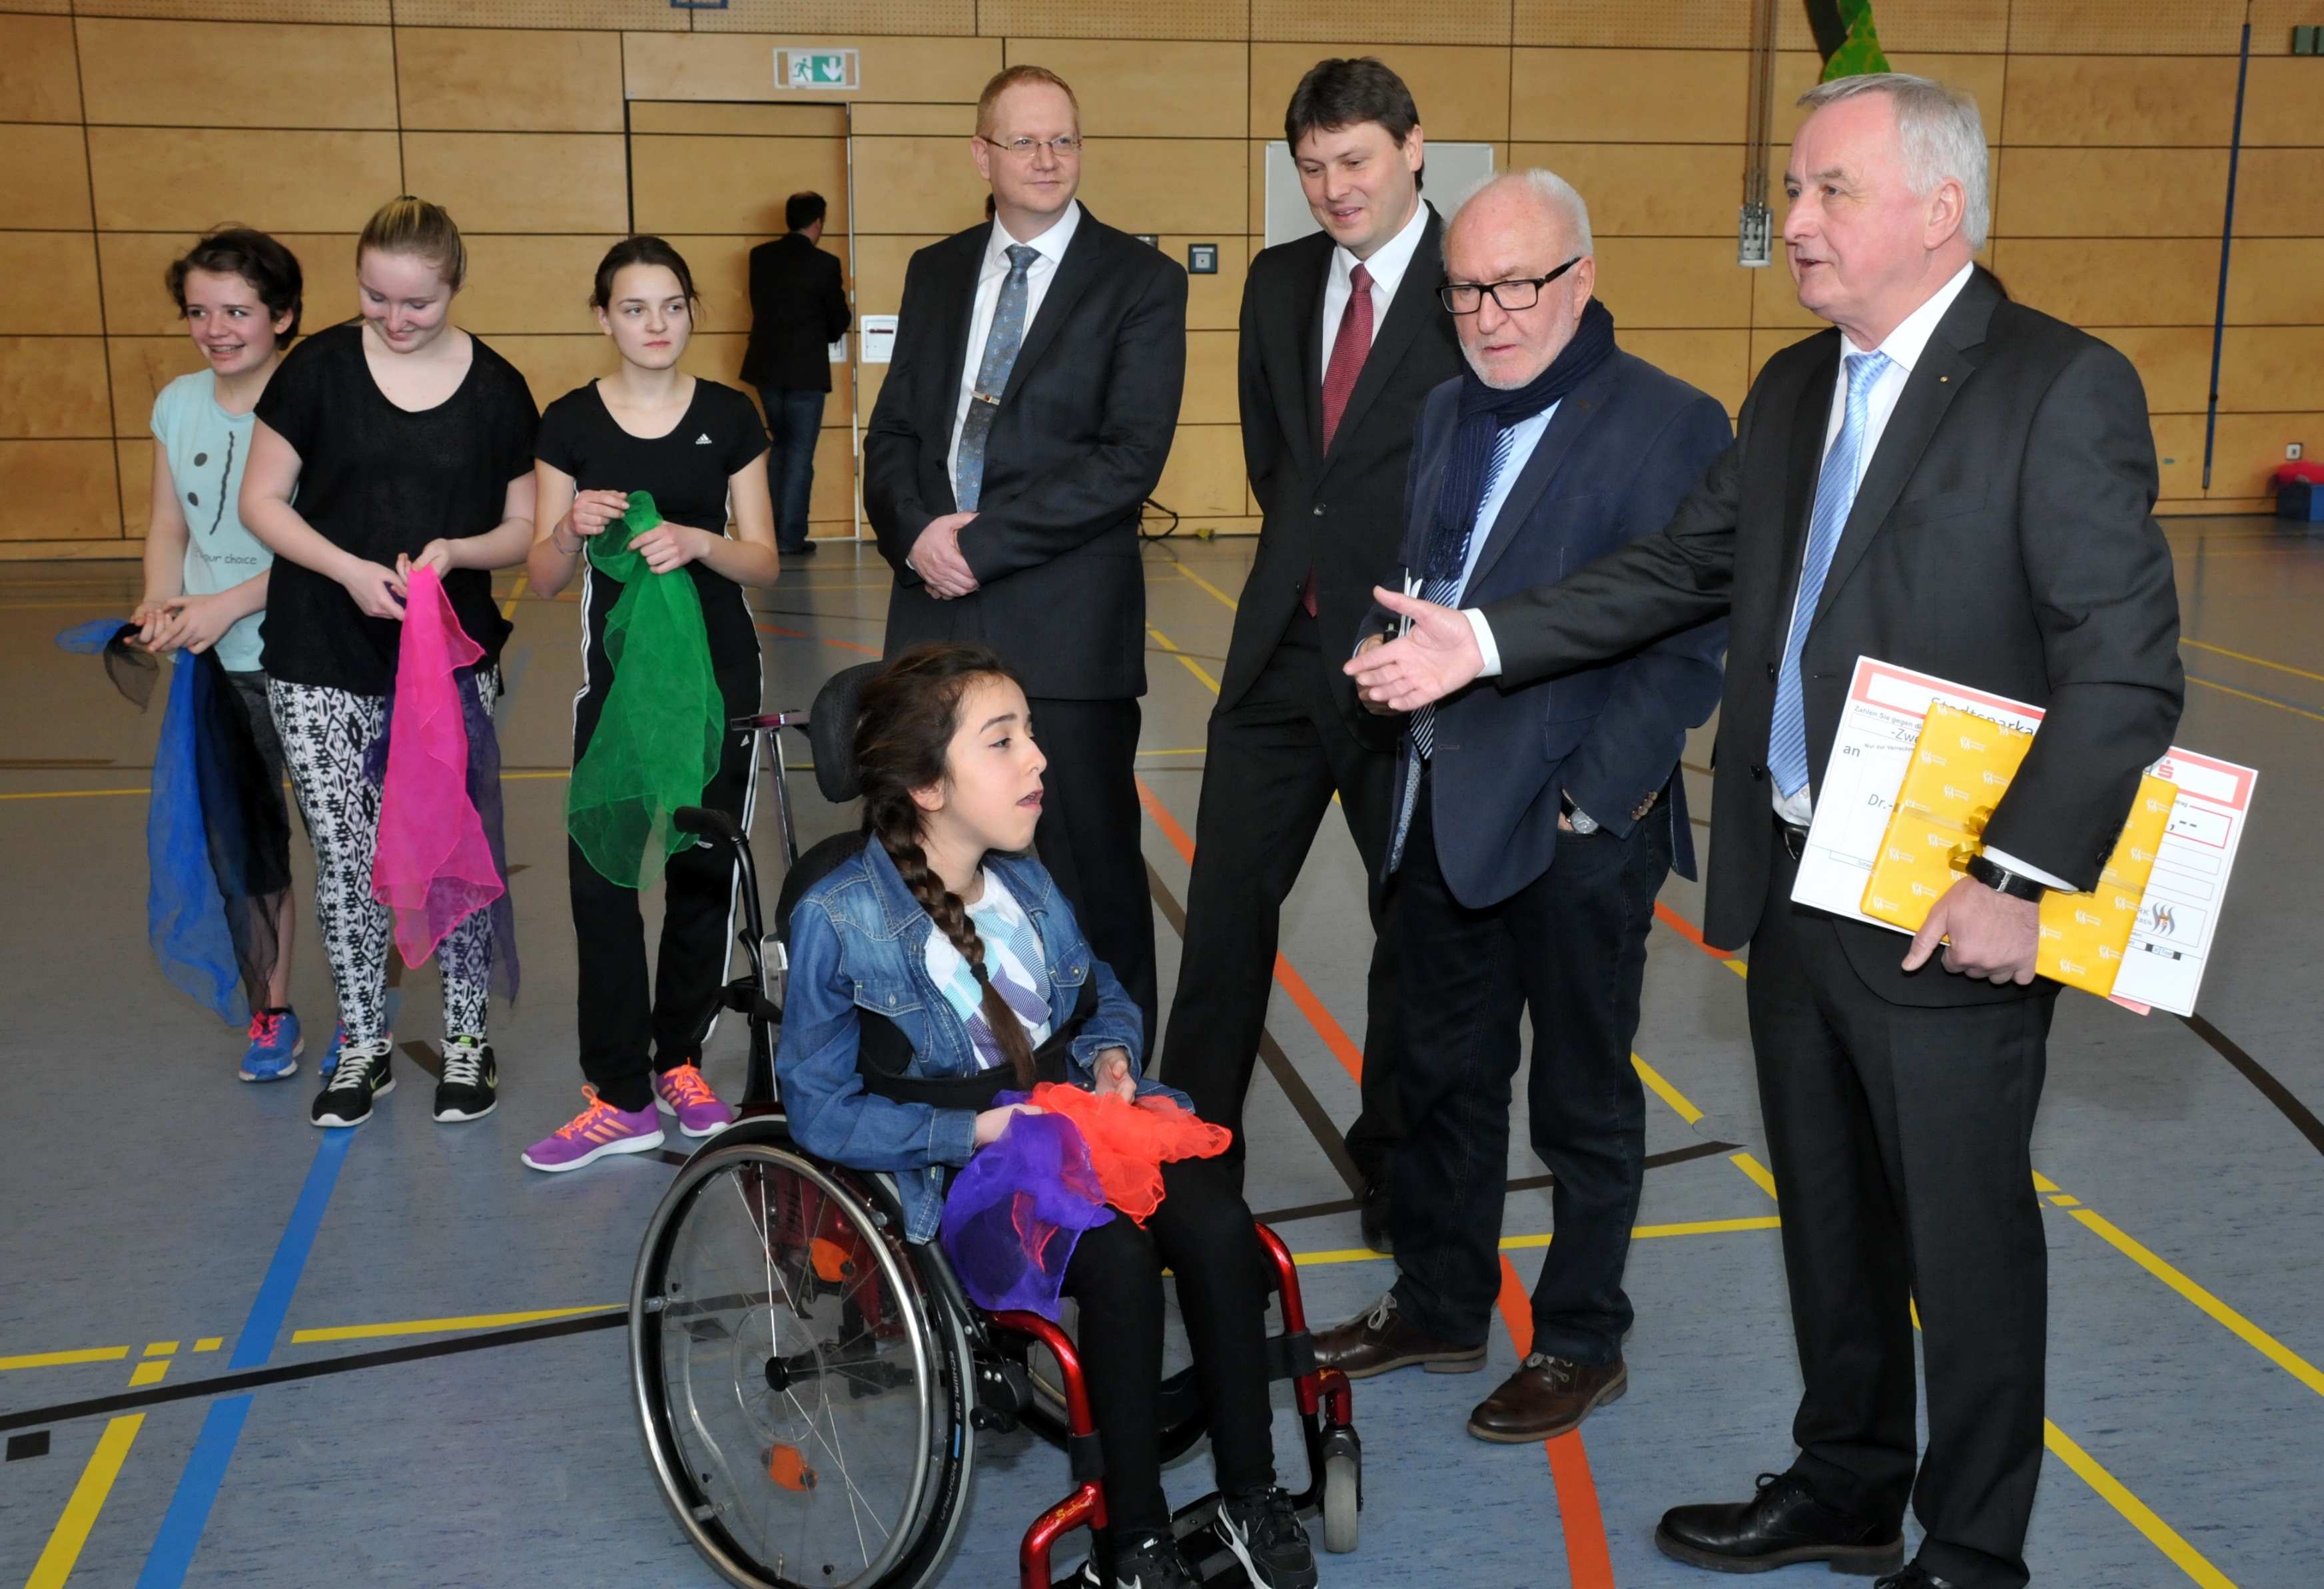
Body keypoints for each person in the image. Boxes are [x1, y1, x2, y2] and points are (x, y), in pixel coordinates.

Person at [1348, 76, 2182, 1589]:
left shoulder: (2057, 387)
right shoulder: (1797, 388)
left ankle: (1974, 1543)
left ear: (1938, 210)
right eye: (1793, 190)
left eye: (1826, 191)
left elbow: (2122, 666)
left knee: (1963, 1234)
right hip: (1801, 871)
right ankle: (1849, 1478)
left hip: (1954, 895)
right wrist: (1480, 642)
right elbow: (1676, 569)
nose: (1790, 219)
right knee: (1832, 1213)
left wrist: (2018, 879)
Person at [1306, 170, 1730, 1444]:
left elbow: (1687, 632)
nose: (1487, 316)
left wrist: (1599, 802)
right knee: (1440, 1077)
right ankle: (1439, 1300)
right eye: (1464, 292)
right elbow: (1443, 583)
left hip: (1577, 825)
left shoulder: (1669, 422)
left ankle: (1579, 1337)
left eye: (1515, 287)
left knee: (1582, 1102)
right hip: (1441, 802)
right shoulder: (1445, 407)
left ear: (1580, 278)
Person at [777, 643, 1317, 1589]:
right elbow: (819, 1112)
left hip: (1072, 1126)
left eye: (1028, 733)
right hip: (957, 1169)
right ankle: (1133, 1540)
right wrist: (969, 1131)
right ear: (926, 785)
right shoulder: (841, 917)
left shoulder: (1023, 879)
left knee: (1221, 1222)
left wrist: (1111, 1052)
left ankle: (1248, 1493)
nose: (1037, 758)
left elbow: (1098, 992)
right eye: (1003, 741)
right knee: (1113, 1260)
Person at [1158, 57, 1461, 1246]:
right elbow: (1280, 464)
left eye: (1356, 161)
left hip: (1407, 659)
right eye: (1312, 167)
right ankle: (1188, 1175)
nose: (1334, 188)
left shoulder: (1472, 279)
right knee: (1223, 915)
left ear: (1412, 148)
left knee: (1413, 934)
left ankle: (1393, 1164)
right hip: (1278, 652)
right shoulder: (1280, 280)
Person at [863, 65, 1186, 1052]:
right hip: (933, 621)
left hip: (1064, 628)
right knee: (926, 862)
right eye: (1025, 141)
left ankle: (1119, 1080)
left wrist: (978, 545)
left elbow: (1127, 462)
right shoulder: (935, 269)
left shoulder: (1139, 281)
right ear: (982, 155)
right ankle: (956, 1073)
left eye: (1065, 140)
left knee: (1087, 867)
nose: (1048, 159)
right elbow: (895, 436)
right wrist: (918, 533)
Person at [240, 195, 542, 1131]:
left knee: (449, 846)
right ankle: (364, 1044)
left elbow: (522, 527)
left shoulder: (497, 389)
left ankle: (464, 1039)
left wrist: (455, 552)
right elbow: (262, 500)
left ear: (454, 287)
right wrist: (344, 568)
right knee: (347, 855)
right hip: (318, 649)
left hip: (446, 659)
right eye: (376, 297)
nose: (395, 318)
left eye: (418, 303)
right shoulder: (317, 371)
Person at [521, 236, 780, 1171]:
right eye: (635, 308)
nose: (656, 324)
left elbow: (764, 556)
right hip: (620, 693)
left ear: (690, 312)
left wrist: (697, 540)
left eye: (671, 305)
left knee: (703, 876)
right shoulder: (568, 424)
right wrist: (567, 527)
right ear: (604, 318)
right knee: (604, 879)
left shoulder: (729, 415)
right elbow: (546, 577)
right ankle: (617, 1093)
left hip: (721, 683)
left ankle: (680, 1060)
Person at [133, 226, 308, 1082]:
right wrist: (163, 600)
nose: (216, 328)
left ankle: (364, 1017)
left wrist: (229, 602)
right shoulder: (176, 403)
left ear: (282, 314)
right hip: (216, 666)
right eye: (199, 311)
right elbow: (170, 524)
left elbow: (328, 543)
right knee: (247, 850)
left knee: (349, 848)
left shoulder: (316, 400)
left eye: (237, 310)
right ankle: (270, 1010)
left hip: (312, 658)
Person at [739, 190, 850, 557]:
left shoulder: (761, 257)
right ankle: (789, 537)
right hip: (806, 370)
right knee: (800, 454)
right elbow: (839, 319)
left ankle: (765, 534)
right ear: (818, 222)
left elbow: (759, 305)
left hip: (766, 367)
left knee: (779, 447)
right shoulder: (825, 263)